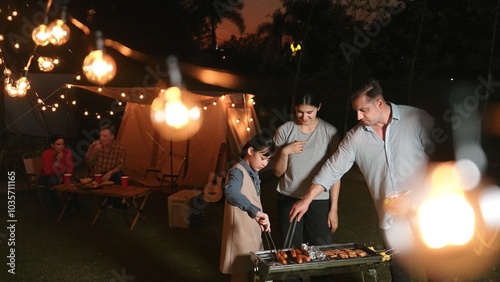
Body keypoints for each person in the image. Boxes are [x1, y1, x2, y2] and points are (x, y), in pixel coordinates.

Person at [290, 78, 435, 282]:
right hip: (391, 217)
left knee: (437, 268)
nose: (358, 116)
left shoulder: (416, 118)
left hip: (427, 208)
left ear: (378, 103)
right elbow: (332, 168)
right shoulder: (356, 137)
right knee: (400, 271)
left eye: (363, 110)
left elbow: (441, 162)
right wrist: (307, 199)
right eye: (356, 111)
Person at [273, 91, 341, 250]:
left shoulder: (330, 132)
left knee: (322, 248)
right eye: (299, 112)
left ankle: (323, 276)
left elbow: (336, 174)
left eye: (309, 112)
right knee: (291, 249)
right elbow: (277, 172)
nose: (304, 117)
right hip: (289, 197)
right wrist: (284, 152)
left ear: (319, 107)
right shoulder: (285, 130)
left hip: (319, 200)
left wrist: (334, 209)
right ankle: (293, 276)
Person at [220, 132, 276, 282]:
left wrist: (259, 216)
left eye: (268, 160)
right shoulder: (237, 171)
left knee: (254, 270)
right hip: (239, 233)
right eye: (263, 158)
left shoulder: (253, 172)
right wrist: (256, 212)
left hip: (251, 230)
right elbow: (231, 192)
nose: (265, 163)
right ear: (251, 151)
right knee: (240, 272)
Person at [84, 124, 127, 209]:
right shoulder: (95, 145)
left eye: (105, 136)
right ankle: (116, 201)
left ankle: (114, 200)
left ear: (112, 137)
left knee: (119, 175)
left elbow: (121, 164)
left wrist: (110, 173)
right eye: (101, 135)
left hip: (111, 174)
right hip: (97, 174)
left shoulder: (119, 147)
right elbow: (87, 162)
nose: (102, 138)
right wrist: (94, 151)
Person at [39, 134, 74, 212]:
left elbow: (70, 169)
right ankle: (57, 207)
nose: (61, 146)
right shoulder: (47, 154)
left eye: (63, 144)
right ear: (52, 145)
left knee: (72, 181)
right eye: (58, 144)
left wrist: (65, 177)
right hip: (45, 177)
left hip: (61, 175)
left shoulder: (67, 152)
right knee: (53, 180)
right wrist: (57, 161)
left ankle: (72, 205)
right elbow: (48, 172)